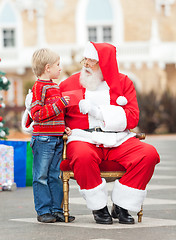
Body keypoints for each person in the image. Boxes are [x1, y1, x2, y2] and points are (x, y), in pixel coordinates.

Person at [59, 42, 160, 225]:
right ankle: (98, 207)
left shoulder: (123, 83)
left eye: (91, 60)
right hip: (84, 138)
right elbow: (56, 113)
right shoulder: (68, 83)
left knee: (148, 154)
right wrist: (60, 126)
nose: (86, 64)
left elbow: (132, 117)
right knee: (82, 156)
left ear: (105, 63)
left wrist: (99, 113)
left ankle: (122, 205)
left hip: (118, 139)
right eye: (85, 60)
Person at [22, 48, 75, 223]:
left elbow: (57, 116)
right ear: (47, 68)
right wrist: (60, 104)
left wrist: (64, 127)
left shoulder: (54, 86)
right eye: (58, 65)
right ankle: (43, 210)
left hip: (57, 138)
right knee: (41, 176)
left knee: (55, 175)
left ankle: (56, 209)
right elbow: (37, 114)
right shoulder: (39, 87)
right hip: (43, 139)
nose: (60, 68)